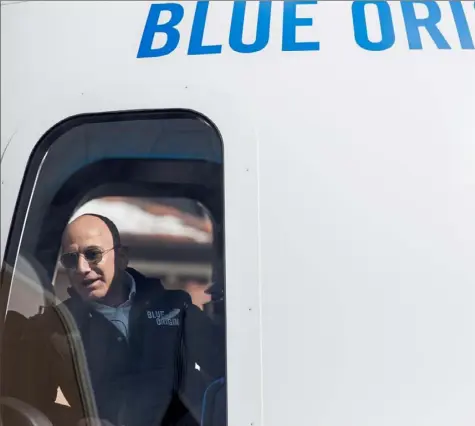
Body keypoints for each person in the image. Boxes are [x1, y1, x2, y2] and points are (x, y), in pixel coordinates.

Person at [20, 214, 225, 426]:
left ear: (121, 258)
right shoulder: (56, 327)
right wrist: (78, 420)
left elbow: (228, 370)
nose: (81, 268)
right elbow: (30, 403)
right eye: (71, 259)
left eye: (92, 254)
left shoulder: (175, 308)